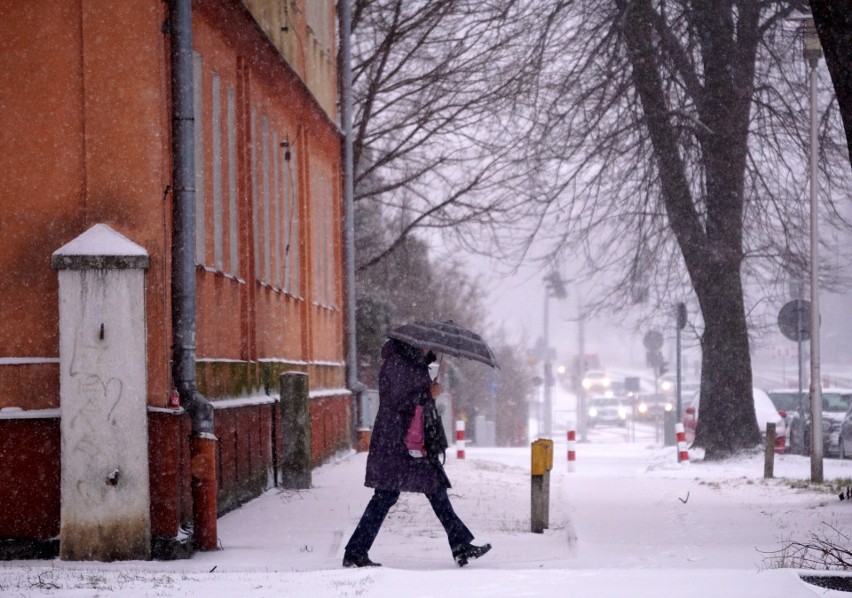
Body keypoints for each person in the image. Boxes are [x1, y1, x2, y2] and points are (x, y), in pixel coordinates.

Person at [343, 338, 491, 568]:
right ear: (418, 343)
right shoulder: (399, 364)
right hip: (398, 442)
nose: (435, 350)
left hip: (407, 442)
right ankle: (355, 552)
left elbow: (410, 398)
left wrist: (427, 391)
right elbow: (399, 401)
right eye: (433, 345)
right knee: (388, 495)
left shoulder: (412, 363)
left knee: (432, 489)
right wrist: (427, 395)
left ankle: (460, 544)